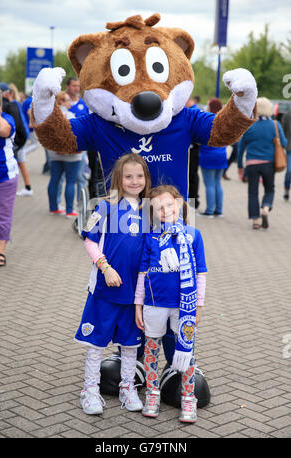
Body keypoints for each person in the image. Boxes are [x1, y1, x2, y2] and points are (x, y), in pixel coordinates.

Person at [74, 153, 151, 415]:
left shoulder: (150, 209)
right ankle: (90, 390)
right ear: (118, 178)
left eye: (139, 176)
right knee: (96, 343)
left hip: (134, 293)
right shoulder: (104, 207)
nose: (134, 180)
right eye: (128, 176)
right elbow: (89, 240)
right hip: (106, 290)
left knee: (130, 344)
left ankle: (127, 387)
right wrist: (105, 268)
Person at [135, 185, 207, 423]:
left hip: (183, 307)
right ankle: (152, 393)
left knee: (187, 351)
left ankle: (189, 397)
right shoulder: (150, 236)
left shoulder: (193, 235)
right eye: (158, 208)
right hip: (154, 304)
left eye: (168, 204)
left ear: (179, 203)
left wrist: (198, 306)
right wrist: (138, 305)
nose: (164, 211)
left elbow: (201, 275)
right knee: (151, 350)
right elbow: (142, 273)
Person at [238, 97, 287, 229]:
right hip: (268, 164)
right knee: (269, 189)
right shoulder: (275, 125)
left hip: (251, 164)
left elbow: (240, 147)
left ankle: (255, 221)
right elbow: (284, 143)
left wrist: (239, 166)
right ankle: (265, 208)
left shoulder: (249, 126)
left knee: (253, 192)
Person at [0, 85, 19, 266]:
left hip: (3, 177)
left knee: (1, 215)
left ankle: (0, 251)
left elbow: (3, 131)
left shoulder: (6, 119)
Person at [47, 91, 82, 217]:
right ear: (61, 101)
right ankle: (69, 210)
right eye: (67, 100)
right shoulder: (71, 115)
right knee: (71, 181)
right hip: (72, 155)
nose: (70, 102)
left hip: (54, 153)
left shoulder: (50, 116)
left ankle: (53, 208)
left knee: (54, 180)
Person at [198, 98, 228, 218]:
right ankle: (219, 210)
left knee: (209, 184)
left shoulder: (207, 120)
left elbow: (200, 138)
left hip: (208, 155)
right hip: (221, 155)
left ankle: (210, 210)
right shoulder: (224, 120)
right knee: (217, 183)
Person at [7, 83, 34, 197]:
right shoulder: (17, 103)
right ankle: (28, 187)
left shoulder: (13, 104)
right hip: (24, 135)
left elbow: (19, 121)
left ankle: (15, 188)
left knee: (17, 162)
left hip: (21, 137)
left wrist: (30, 124)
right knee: (21, 162)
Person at [281, 109, 291, 200]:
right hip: (289, 149)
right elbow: (282, 133)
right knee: (289, 171)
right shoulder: (287, 116)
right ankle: (287, 188)